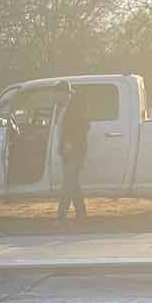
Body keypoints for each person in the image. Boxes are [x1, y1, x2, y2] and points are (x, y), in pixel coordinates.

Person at [57, 84, 89, 224]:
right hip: (68, 152)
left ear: (66, 93)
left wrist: (71, 143)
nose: (56, 96)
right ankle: (81, 214)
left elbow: (84, 127)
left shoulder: (76, 107)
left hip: (76, 151)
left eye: (58, 93)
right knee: (72, 183)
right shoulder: (63, 108)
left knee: (68, 183)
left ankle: (62, 215)